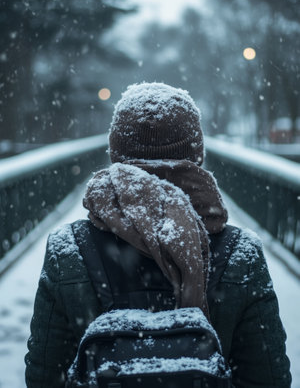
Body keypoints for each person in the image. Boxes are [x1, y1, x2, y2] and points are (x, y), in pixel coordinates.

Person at [25, 82, 291, 387]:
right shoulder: (242, 254)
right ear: (198, 155)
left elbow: (44, 377)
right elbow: (268, 379)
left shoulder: (67, 249)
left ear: (115, 153)